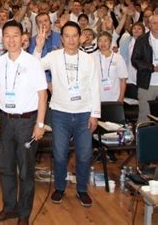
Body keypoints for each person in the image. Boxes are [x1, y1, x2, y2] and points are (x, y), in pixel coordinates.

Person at [34, 21, 100, 207]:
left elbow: (95, 87)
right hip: (60, 113)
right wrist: (38, 47)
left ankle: (82, 190)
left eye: (74, 36)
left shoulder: (88, 59)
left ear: (80, 38)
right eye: (67, 36)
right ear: (61, 39)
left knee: (85, 154)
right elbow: (34, 66)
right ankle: (60, 187)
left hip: (84, 114)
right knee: (60, 154)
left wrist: (95, 113)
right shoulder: (54, 56)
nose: (71, 40)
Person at [0, 21, 47, 225]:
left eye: (15, 35)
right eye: (7, 35)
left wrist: (39, 124)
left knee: (25, 171)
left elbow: (43, 95)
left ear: (23, 38)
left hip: (27, 121)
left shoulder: (32, 62)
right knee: (5, 168)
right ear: (2, 38)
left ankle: (24, 214)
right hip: (5, 120)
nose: (11, 40)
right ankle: (9, 208)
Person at [131, 14, 158, 122]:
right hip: (147, 82)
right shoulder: (142, 40)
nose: (157, 25)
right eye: (154, 23)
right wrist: (152, 68)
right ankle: (142, 138)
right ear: (149, 25)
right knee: (145, 116)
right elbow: (135, 60)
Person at [93, 31, 128, 102]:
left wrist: (121, 98)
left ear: (110, 42)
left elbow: (123, 80)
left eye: (105, 41)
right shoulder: (92, 57)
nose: (103, 43)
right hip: (96, 98)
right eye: (100, 41)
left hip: (114, 98)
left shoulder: (118, 58)